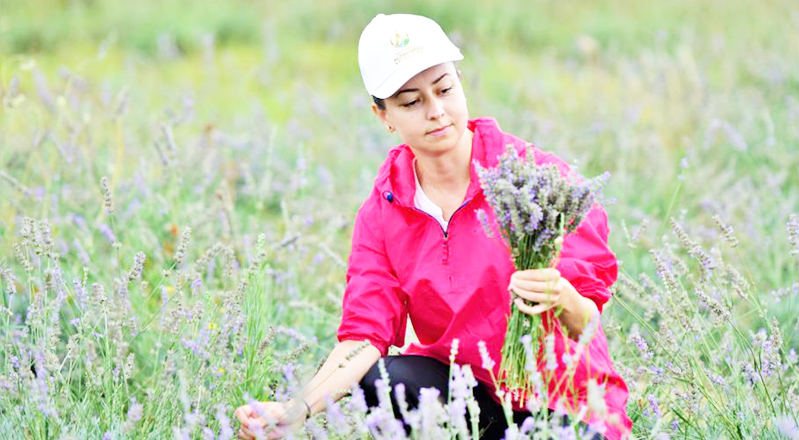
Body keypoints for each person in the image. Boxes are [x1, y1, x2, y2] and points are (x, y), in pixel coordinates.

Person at [234, 13, 632, 440]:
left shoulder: (539, 181)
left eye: (445, 89)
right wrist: (299, 409)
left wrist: (563, 296)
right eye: (411, 101)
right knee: (386, 380)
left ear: (461, 81)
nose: (436, 111)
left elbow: (587, 317)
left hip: (561, 402)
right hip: (468, 401)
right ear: (383, 115)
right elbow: (364, 336)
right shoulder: (384, 210)